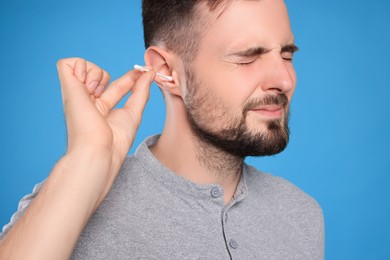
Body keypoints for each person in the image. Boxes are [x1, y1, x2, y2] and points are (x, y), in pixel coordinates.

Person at [0, 0, 324, 259]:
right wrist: (86, 159)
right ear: (167, 71)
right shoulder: (74, 198)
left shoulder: (301, 214)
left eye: (286, 55)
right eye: (247, 58)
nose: (284, 80)